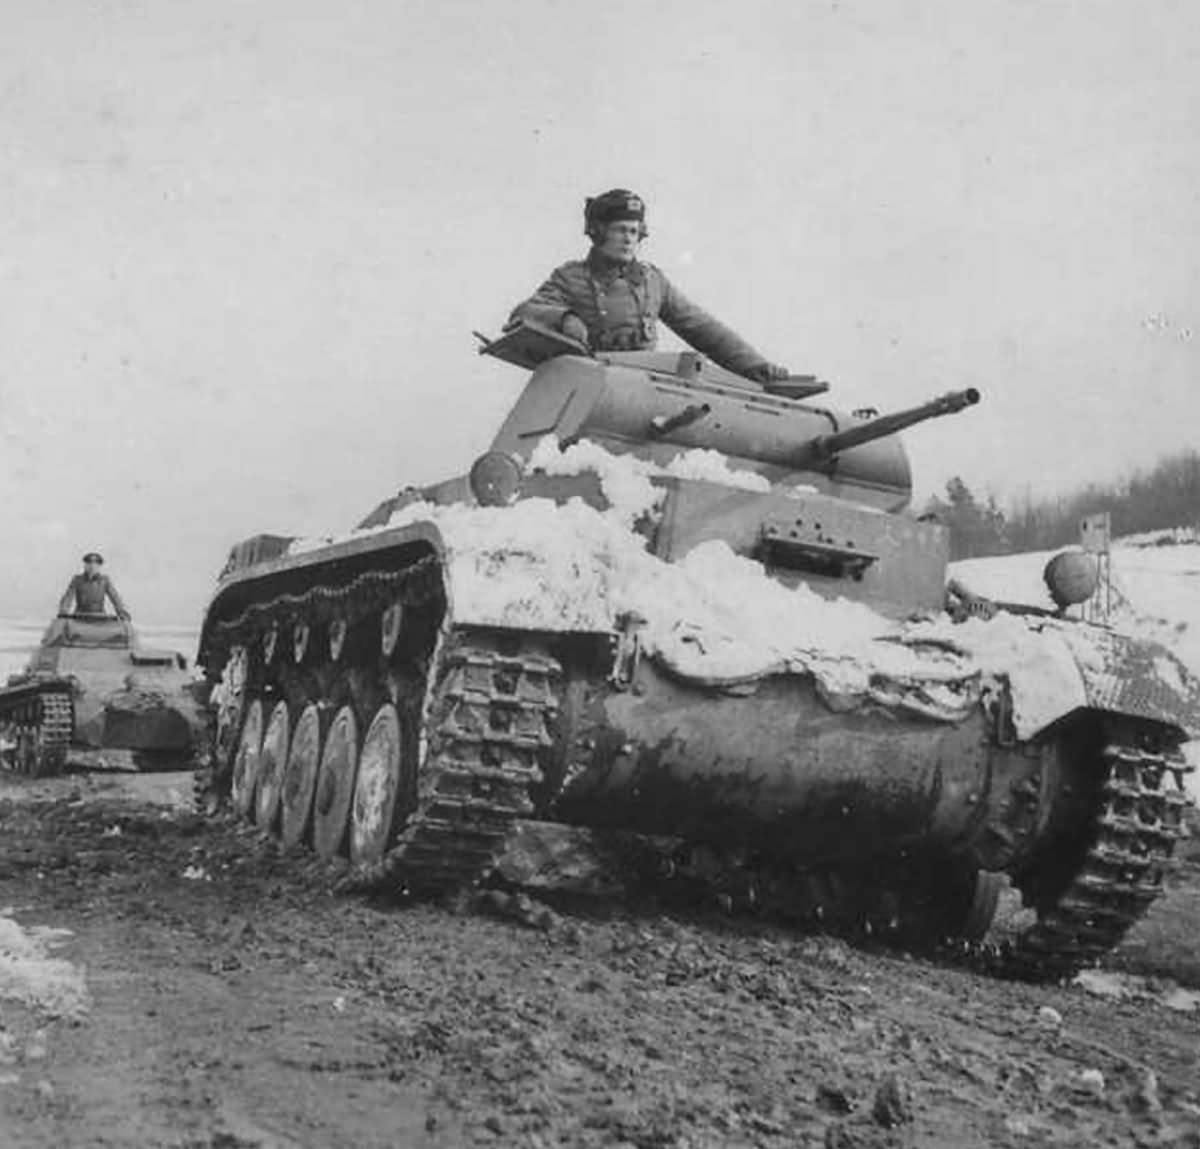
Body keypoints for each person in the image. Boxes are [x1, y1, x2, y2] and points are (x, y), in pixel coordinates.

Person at [508, 188, 791, 383]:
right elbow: (525, 312)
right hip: (591, 386)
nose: (629, 239)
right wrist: (564, 318)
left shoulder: (652, 281)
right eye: (620, 230)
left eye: (634, 231)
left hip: (641, 390)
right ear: (597, 232)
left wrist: (757, 367)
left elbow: (703, 329)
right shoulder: (571, 277)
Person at [57, 552, 131, 620]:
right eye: (89, 563)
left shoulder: (105, 581)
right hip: (79, 616)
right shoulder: (77, 580)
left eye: (95, 564)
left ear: (99, 566)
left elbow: (115, 598)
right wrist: (63, 611)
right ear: (85, 565)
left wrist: (122, 612)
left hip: (99, 617)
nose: (92, 566)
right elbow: (68, 597)